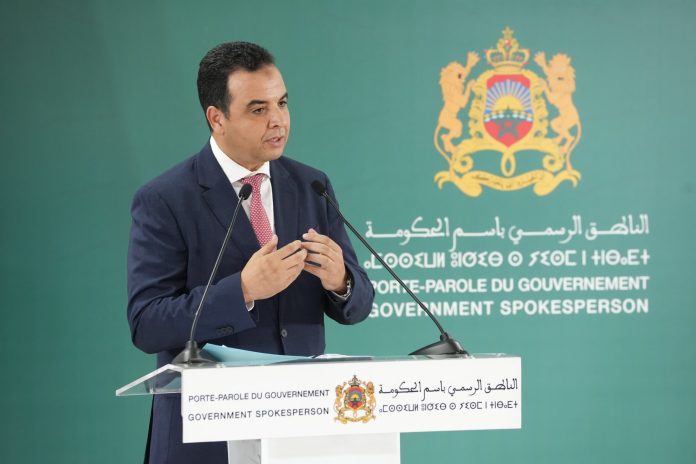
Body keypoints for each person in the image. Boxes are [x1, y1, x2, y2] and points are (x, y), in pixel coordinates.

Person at [127, 41, 374, 464]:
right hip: (206, 438)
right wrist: (241, 290)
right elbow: (147, 324)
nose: (278, 120)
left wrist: (341, 280)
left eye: (282, 103)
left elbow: (358, 304)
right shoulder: (166, 199)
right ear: (216, 118)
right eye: (258, 109)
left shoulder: (312, 186)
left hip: (301, 430)